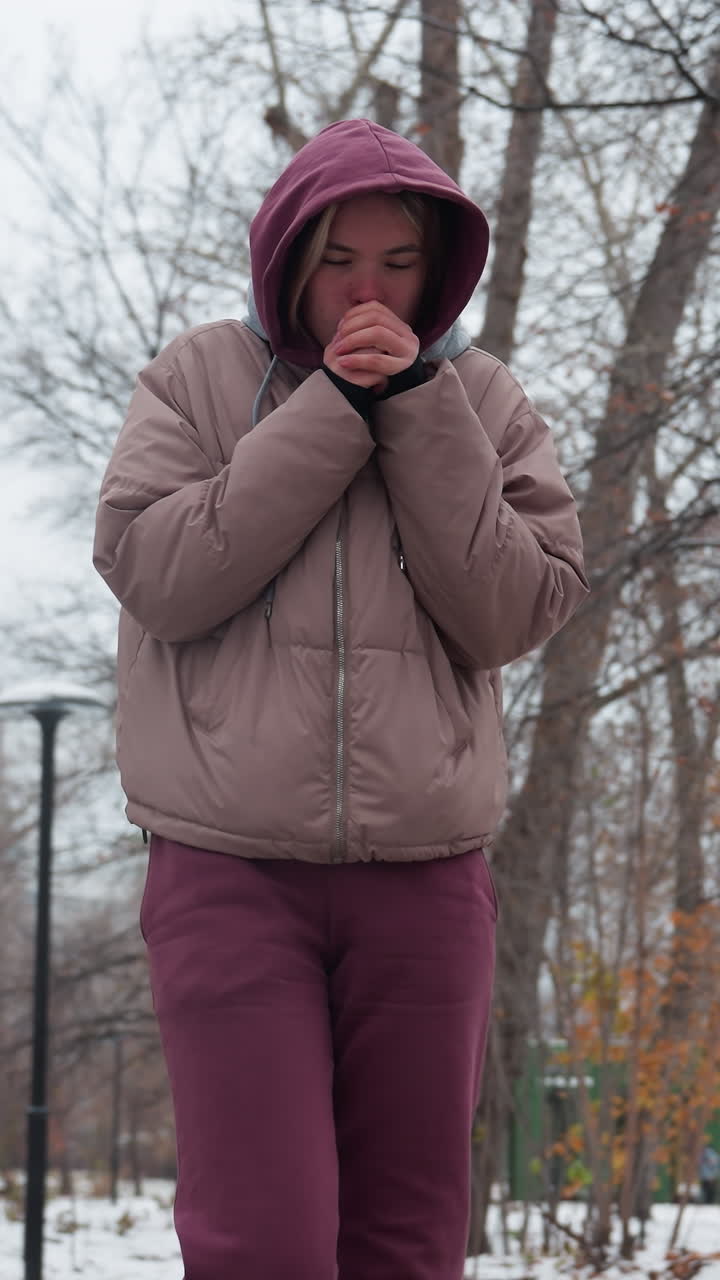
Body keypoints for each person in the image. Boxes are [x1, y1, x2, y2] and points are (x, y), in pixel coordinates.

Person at [93, 118, 589, 1280]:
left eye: (400, 264)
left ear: (439, 269)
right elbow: (160, 575)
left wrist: (418, 404)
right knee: (262, 1240)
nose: (368, 290)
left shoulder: (485, 398)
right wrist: (332, 414)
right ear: (289, 258)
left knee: (407, 1244)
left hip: (428, 881)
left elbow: (514, 610)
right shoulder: (199, 378)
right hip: (227, 873)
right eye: (339, 261)